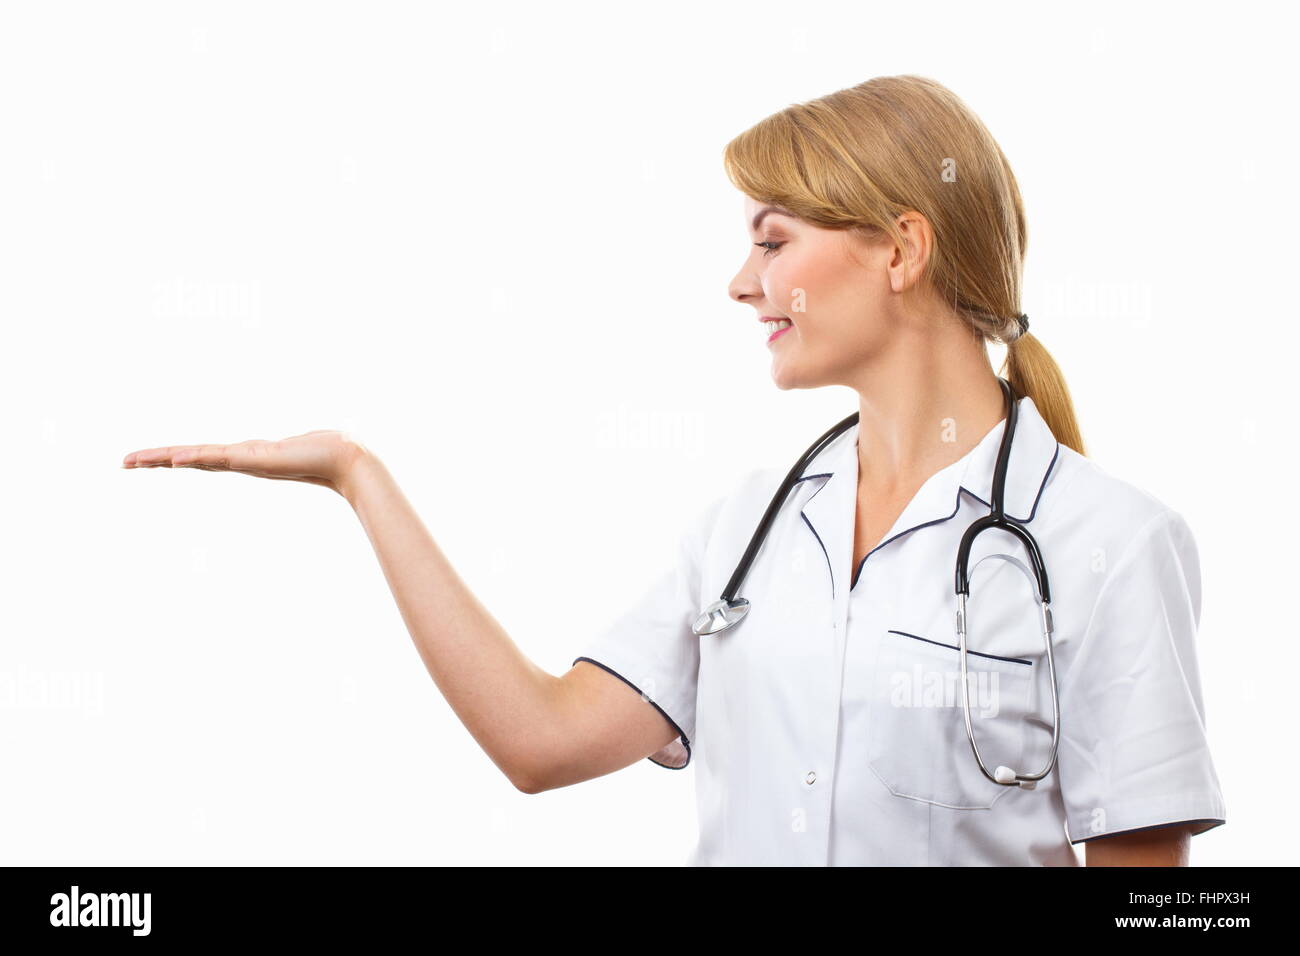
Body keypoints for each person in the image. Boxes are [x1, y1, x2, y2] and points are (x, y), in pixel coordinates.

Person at [122, 74, 1225, 866]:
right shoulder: (747, 533)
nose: (741, 283)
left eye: (773, 239)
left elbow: (1144, 892)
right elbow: (540, 740)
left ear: (900, 248)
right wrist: (358, 477)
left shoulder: (1106, 543)